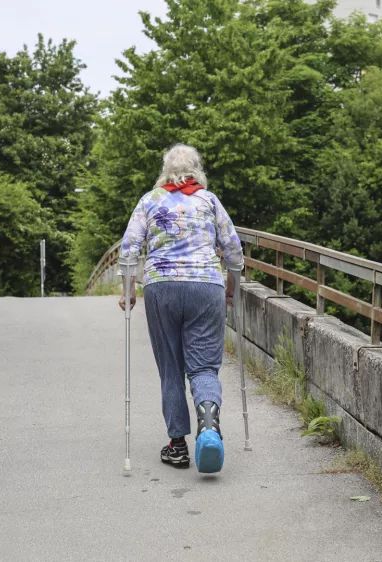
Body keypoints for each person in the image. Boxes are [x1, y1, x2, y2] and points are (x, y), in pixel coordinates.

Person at [118, 143, 244, 474]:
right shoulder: (209, 200)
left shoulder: (150, 200)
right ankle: (209, 429)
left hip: (161, 287)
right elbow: (233, 251)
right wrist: (230, 289)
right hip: (206, 286)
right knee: (204, 368)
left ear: (165, 171)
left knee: (171, 367)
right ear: (196, 169)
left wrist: (128, 292)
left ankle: (177, 446)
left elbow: (129, 248)